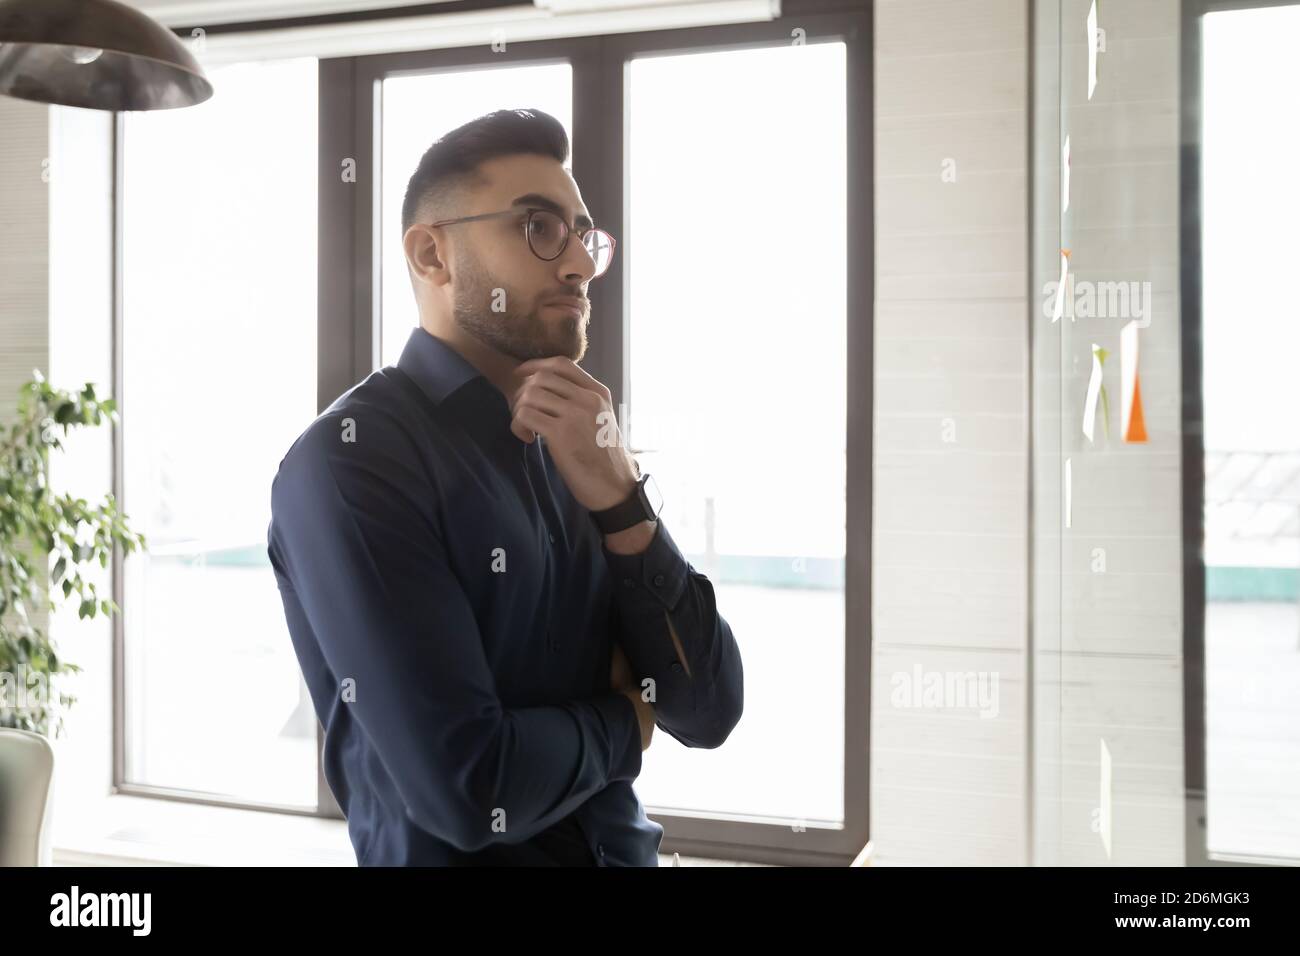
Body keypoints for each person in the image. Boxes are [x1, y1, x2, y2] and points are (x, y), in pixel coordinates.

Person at [267, 108, 743, 866]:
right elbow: (470, 786)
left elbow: (709, 708)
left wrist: (622, 499)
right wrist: (628, 719)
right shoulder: (351, 463)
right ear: (432, 254)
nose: (579, 265)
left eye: (584, 236)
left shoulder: (582, 445)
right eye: (538, 227)